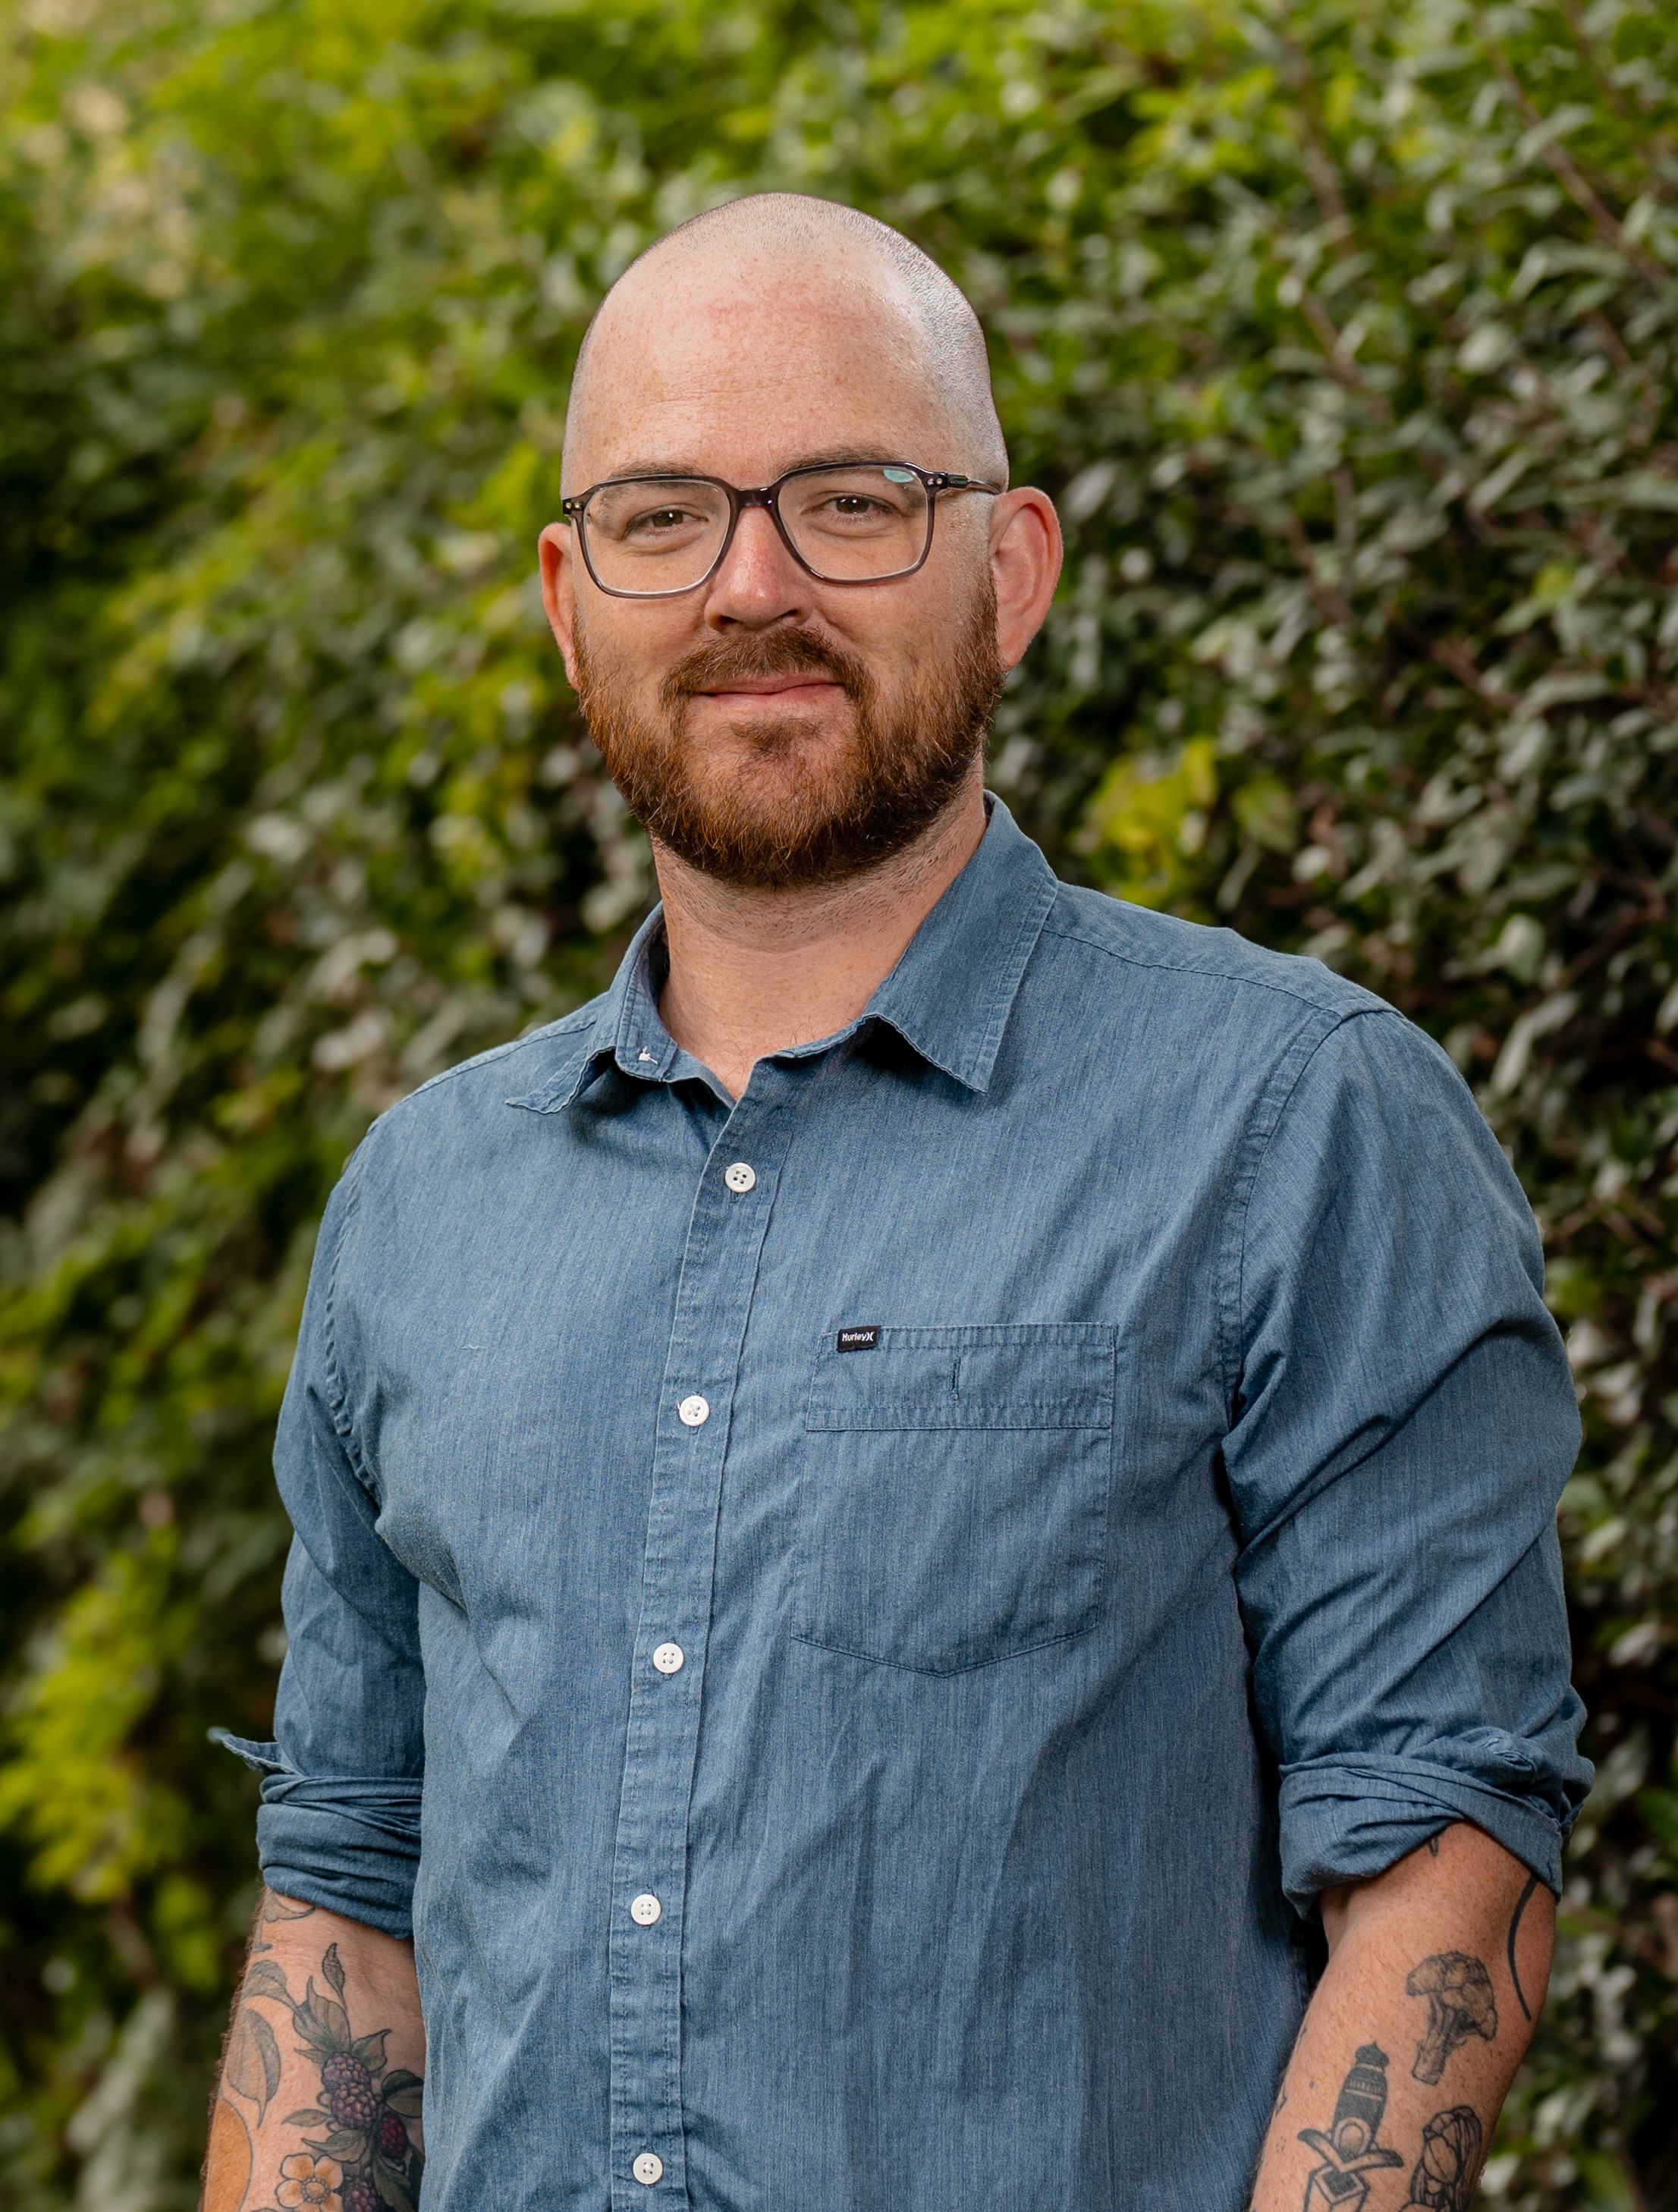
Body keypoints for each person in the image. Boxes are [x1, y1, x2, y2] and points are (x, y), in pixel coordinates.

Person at [204, 193, 1589, 2212]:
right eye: (662, 515)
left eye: (851, 500)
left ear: (1007, 567)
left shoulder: (1297, 1121)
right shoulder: (421, 1202)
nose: (751, 585)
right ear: (567, 594)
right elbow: (346, 1906)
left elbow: (1443, 1867)